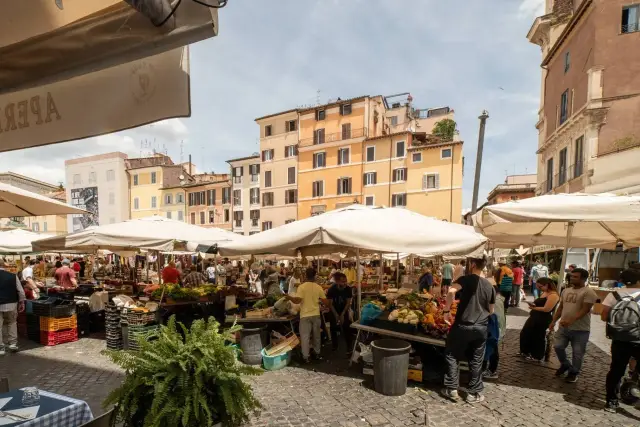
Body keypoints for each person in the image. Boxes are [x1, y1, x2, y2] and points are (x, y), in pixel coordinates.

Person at [441, 256, 496, 403]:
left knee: (452, 355)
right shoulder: (489, 285)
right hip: (481, 328)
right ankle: (473, 394)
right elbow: (491, 310)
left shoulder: (465, 279)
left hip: (463, 325)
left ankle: (452, 389)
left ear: (472, 265)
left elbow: (451, 292)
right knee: (476, 360)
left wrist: (446, 311)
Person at [601, 269, 640, 412]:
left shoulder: (614, 294)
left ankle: (611, 401)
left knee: (616, 370)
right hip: (639, 338)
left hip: (620, 339)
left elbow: (604, 316)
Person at [550, 268, 597, 383]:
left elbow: (585, 310)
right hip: (564, 327)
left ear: (584, 279)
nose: (572, 278)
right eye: (571, 276)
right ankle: (565, 364)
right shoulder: (565, 290)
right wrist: (553, 321)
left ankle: (574, 372)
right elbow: (561, 307)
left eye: (575, 277)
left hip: (581, 329)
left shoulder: (589, 292)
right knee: (558, 346)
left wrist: (571, 320)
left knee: (578, 353)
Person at [285, 268, 328, 363]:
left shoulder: (302, 287)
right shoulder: (318, 287)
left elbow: (297, 301)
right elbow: (326, 302)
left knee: (305, 337)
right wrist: (321, 302)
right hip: (316, 314)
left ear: (305, 275)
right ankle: (317, 354)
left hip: (305, 315)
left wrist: (289, 297)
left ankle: (306, 357)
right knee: (317, 336)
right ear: (315, 275)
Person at [519, 277, 559, 362]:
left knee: (538, 337)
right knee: (525, 333)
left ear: (547, 285)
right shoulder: (545, 292)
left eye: (540, 287)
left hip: (543, 319)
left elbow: (547, 309)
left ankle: (537, 356)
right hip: (534, 316)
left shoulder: (553, 295)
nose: (538, 288)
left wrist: (534, 308)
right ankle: (525, 351)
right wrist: (533, 305)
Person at [0, 262, 26, 355]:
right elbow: (20, 291)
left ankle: (1, 348)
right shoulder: (12, 276)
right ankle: (12, 344)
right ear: (4, 266)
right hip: (11, 303)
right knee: (12, 323)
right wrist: (22, 302)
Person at [326, 272, 353, 353]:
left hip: (344, 309)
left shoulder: (348, 289)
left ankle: (349, 347)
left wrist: (342, 314)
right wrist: (336, 315)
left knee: (347, 328)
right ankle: (335, 345)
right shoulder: (331, 289)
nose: (345, 283)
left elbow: (348, 302)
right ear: (337, 282)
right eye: (343, 281)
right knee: (333, 328)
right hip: (334, 309)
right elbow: (330, 304)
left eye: (346, 281)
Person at [483, 293, 506, 379]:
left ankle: (491, 370)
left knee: (492, 348)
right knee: (491, 348)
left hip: (494, 330)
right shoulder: (497, 300)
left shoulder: (495, 302)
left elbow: (496, 317)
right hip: (495, 329)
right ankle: (489, 369)